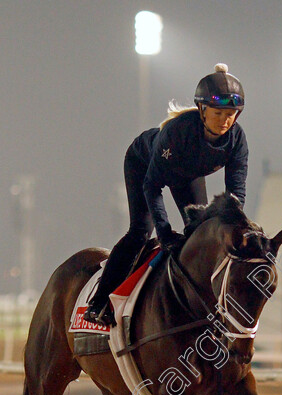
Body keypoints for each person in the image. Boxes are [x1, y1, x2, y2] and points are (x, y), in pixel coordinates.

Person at [83, 63, 249, 326]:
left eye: (231, 114)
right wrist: (164, 232)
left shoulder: (237, 140)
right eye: (218, 113)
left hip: (189, 173)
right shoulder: (177, 133)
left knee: (200, 233)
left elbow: (235, 198)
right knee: (141, 231)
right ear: (202, 111)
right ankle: (99, 303)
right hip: (144, 164)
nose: (225, 121)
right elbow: (152, 186)